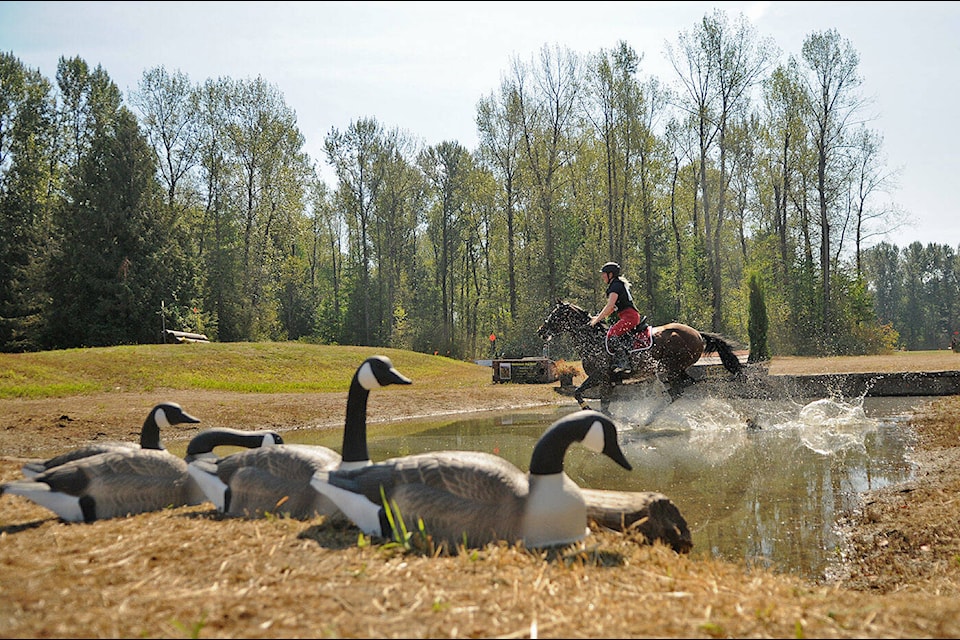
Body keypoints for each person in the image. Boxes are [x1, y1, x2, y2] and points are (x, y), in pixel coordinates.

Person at [589, 261, 647, 374]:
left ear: (610, 274)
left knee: (611, 335)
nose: (602, 276)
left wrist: (596, 320)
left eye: (604, 274)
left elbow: (610, 306)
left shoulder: (615, 285)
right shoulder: (617, 284)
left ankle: (624, 363)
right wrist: (598, 317)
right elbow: (611, 309)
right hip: (629, 316)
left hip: (629, 317)